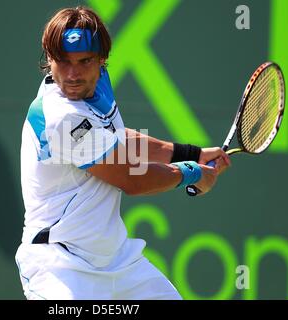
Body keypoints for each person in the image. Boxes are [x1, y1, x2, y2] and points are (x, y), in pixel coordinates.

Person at [15, 6, 231, 300]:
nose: (73, 74)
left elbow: (114, 140)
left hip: (117, 261)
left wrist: (188, 153)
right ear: (49, 59)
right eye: (62, 61)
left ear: (102, 60)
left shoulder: (99, 84)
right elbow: (131, 178)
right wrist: (191, 173)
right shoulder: (60, 117)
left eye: (84, 61)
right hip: (61, 267)